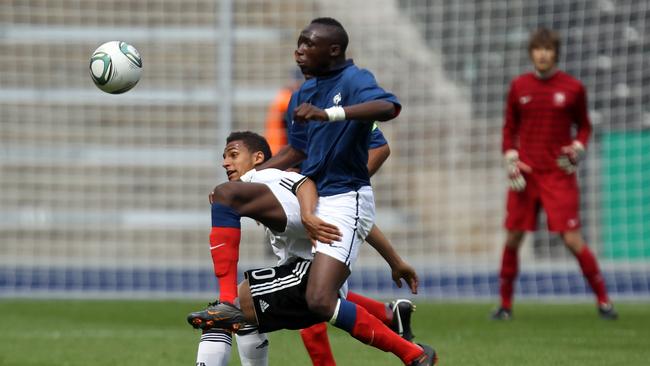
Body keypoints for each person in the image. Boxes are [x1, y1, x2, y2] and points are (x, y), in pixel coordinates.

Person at [192, 17, 437, 365]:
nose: (299, 49)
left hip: (345, 194)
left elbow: (389, 107)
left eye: (308, 43)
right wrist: (248, 180)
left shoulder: (355, 80)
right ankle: (397, 330)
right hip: (323, 199)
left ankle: (411, 353)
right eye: (299, 43)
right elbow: (296, 152)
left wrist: (331, 117)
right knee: (311, 301)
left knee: (313, 299)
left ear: (333, 49)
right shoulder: (303, 95)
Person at [192, 131, 431, 365]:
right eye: (224, 157)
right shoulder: (266, 189)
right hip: (314, 277)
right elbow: (355, 221)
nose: (225, 163)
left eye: (233, 155)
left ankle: (412, 354)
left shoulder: (266, 177)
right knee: (242, 315)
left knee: (223, 314)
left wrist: (306, 214)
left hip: (306, 274)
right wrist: (395, 261)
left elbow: (304, 183)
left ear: (257, 158)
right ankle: (409, 349)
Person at [492, 27, 617, 320]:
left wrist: (578, 147)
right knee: (513, 238)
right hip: (525, 175)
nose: (543, 54)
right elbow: (509, 128)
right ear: (532, 53)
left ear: (556, 53)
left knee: (572, 239)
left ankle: (604, 302)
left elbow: (585, 126)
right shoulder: (519, 86)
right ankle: (504, 306)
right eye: (538, 49)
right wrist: (511, 157)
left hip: (558, 176)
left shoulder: (573, 88)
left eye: (548, 49)